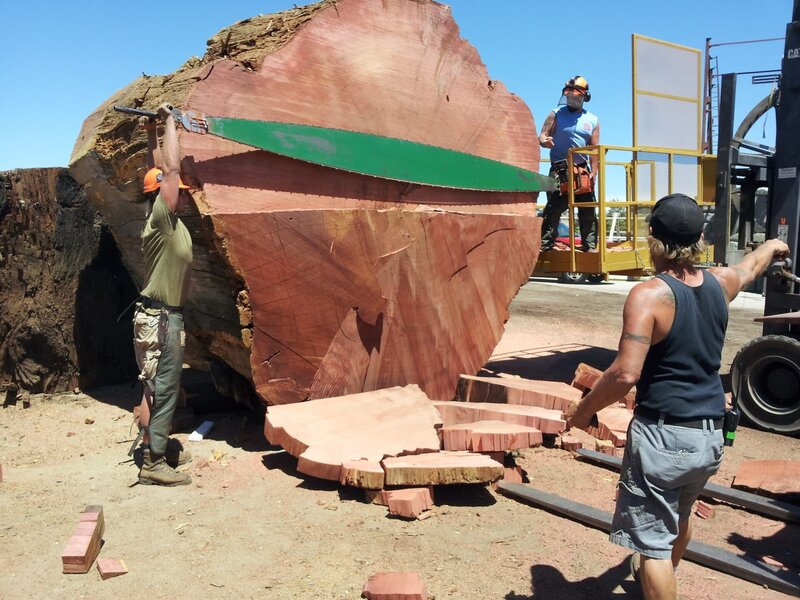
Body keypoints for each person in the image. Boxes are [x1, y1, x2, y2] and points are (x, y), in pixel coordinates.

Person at [564, 193, 789, 599]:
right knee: (679, 515)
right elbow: (750, 266)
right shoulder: (721, 283)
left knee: (651, 546)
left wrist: (582, 410)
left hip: (664, 438)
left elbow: (625, 373)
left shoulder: (649, 295)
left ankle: (657, 577)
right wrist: (773, 245)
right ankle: (660, 580)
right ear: (701, 237)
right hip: (710, 436)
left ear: (652, 236)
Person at [132, 103, 195, 486]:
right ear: (163, 195)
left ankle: (150, 446)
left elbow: (155, 172)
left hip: (160, 317)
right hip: (161, 319)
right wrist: (171, 122)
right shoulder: (163, 219)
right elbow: (168, 171)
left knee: (154, 387)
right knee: (164, 388)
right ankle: (153, 464)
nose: (184, 195)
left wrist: (151, 131)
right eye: (178, 192)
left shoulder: (166, 222)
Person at [539, 75, 600, 252]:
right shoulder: (555, 113)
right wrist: (544, 141)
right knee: (554, 207)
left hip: (581, 169)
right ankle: (546, 244)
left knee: (587, 208)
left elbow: (594, 149)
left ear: (584, 97)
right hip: (559, 168)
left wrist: (594, 171)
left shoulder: (593, 120)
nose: (572, 100)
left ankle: (589, 245)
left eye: (575, 97)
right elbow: (542, 135)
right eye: (569, 97)